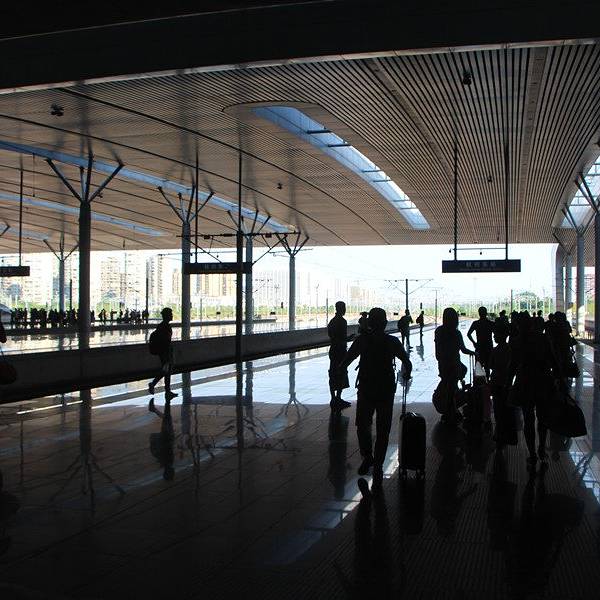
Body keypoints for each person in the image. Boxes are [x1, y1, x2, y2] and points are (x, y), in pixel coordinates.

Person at [339, 307, 412, 483]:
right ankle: (378, 464)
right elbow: (406, 362)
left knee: (363, 425)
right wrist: (406, 374)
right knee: (383, 428)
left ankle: (367, 457)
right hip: (386, 390)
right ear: (385, 323)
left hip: (366, 388)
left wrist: (340, 371)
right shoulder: (392, 342)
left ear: (370, 323)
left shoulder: (362, 341)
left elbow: (346, 361)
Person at [508, 312, 558, 471]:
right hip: (543, 381)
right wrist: (559, 379)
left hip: (525, 383)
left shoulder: (516, 342)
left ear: (518, 326)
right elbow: (553, 360)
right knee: (542, 418)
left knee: (528, 419)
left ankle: (532, 453)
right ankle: (541, 447)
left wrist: (507, 385)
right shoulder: (542, 339)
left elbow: (512, 366)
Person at [434, 307, 475, 424]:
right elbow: (463, 350)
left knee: (448, 388)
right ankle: (451, 411)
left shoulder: (439, 331)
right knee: (452, 388)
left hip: (443, 365)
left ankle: (449, 411)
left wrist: (442, 360)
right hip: (455, 365)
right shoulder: (456, 333)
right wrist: (473, 353)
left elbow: (438, 352)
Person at [148, 307, 177, 399]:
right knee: (166, 370)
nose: (172, 315)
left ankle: (167, 391)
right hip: (165, 352)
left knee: (167, 371)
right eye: (170, 314)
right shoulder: (165, 326)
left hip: (163, 351)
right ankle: (153, 384)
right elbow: (166, 341)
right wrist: (169, 353)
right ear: (167, 315)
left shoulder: (162, 326)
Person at [327, 301, 351, 410]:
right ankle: (338, 398)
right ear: (341, 309)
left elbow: (332, 336)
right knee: (341, 373)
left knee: (333, 373)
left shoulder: (332, 321)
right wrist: (349, 338)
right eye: (344, 307)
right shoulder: (342, 321)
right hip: (340, 351)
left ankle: (333, 398)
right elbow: (342, 338)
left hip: (333, 350)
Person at [467, 306, 495, 378]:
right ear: (486, 313)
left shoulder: (476, 323)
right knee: (487, 368)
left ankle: (479, 383)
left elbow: (468, 334)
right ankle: (487, 381)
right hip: (489, 347)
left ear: (479, 313)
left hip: (479, 347)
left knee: (478, 368)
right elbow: (497, 333)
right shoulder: (490, 323)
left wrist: (474, 343)